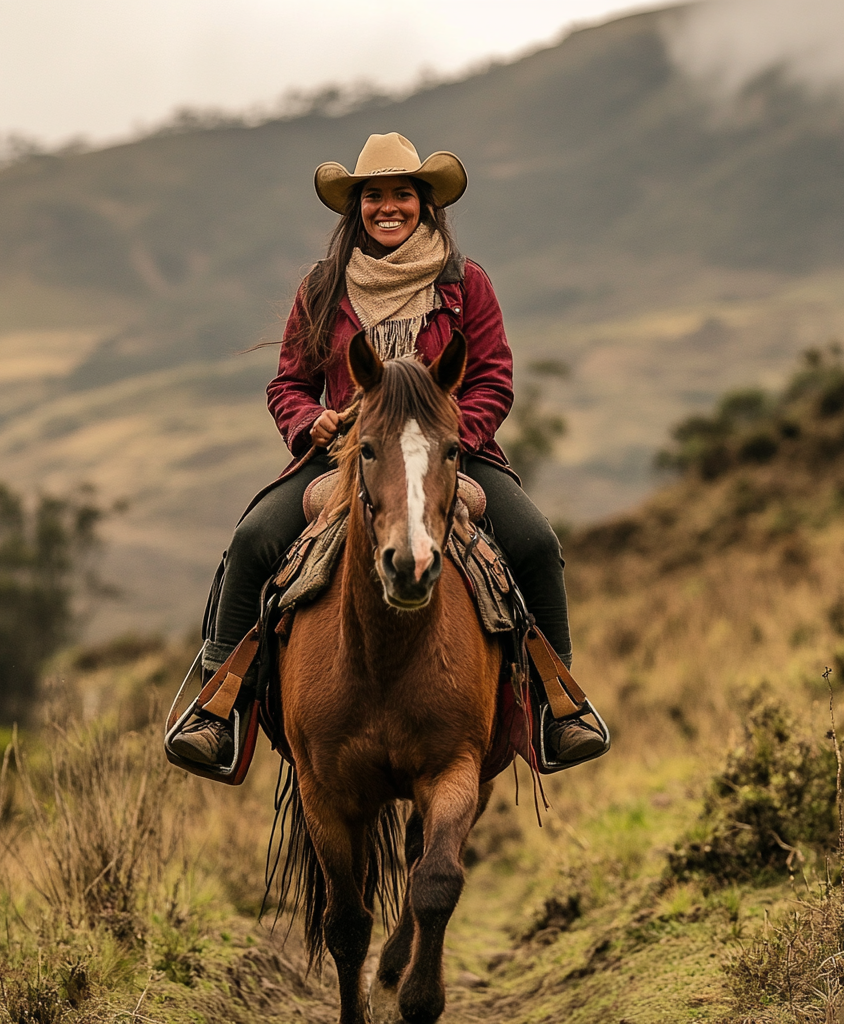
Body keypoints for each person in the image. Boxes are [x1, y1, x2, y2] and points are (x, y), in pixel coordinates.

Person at [171, 132, 606, 767]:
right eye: (373, 196)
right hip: (347, 457)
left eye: (402, 193)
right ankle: (219, 706)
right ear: (357, 208)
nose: (388, 207)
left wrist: (449, 438)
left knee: (536, 542)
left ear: (426, 203)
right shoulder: (323, 288)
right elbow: (288, 382)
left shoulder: (466, 284)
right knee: (253, 539)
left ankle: (557, 704)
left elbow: (492, 379)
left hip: (454, 451)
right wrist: (310, 421)